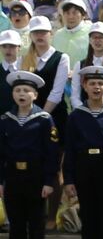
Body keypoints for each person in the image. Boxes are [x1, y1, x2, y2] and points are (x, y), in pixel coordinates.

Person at [0, 70, 60, 239]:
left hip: (36, 177)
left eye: (26, 91)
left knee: (36, 223)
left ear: (35, 95)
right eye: (17, 90)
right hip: (12, 177)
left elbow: (52, 153)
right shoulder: (5, 120)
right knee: (16, 224)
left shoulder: (44, 119)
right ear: (12, 94)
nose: (22, 94)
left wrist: (49, 181)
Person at [64, 65, 103, 239]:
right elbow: (70, 149)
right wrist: (68, 179)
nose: (96, 87)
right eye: (92, 83)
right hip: (84, 168)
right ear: (84, 86)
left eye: (100, 83)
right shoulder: (76, 116)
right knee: (87, 215)